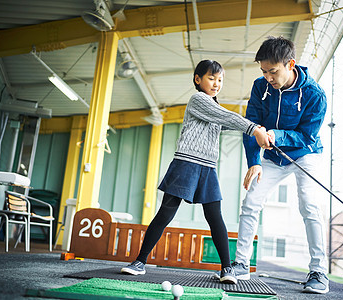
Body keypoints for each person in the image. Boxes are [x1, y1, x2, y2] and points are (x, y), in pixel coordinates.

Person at [120, 60, 270, 284]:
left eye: (220, 80)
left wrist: (257, 125)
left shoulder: (215, 109)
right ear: (198, 79)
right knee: (165, 213)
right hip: (186, 164)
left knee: (215, 217)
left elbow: (229, 121)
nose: (216, 84)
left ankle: (227, 269)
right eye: (211, 78)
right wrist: (254, 128)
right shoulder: (198, 99)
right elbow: (227, 117)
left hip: (208, 168)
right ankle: (140, 262)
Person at [230, 36, 329, 293]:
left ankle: (319, 272)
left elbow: (307, 136)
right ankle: (241, 264)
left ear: (290, 64)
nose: (268, 78)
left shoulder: (315, 95)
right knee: (251, 202)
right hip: (272, 156)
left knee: (309, 204)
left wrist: (276, 135)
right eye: (264, 71)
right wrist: (254, 162)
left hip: (304, 153)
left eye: (273, 71)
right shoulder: (260, 86)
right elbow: (251, 126)